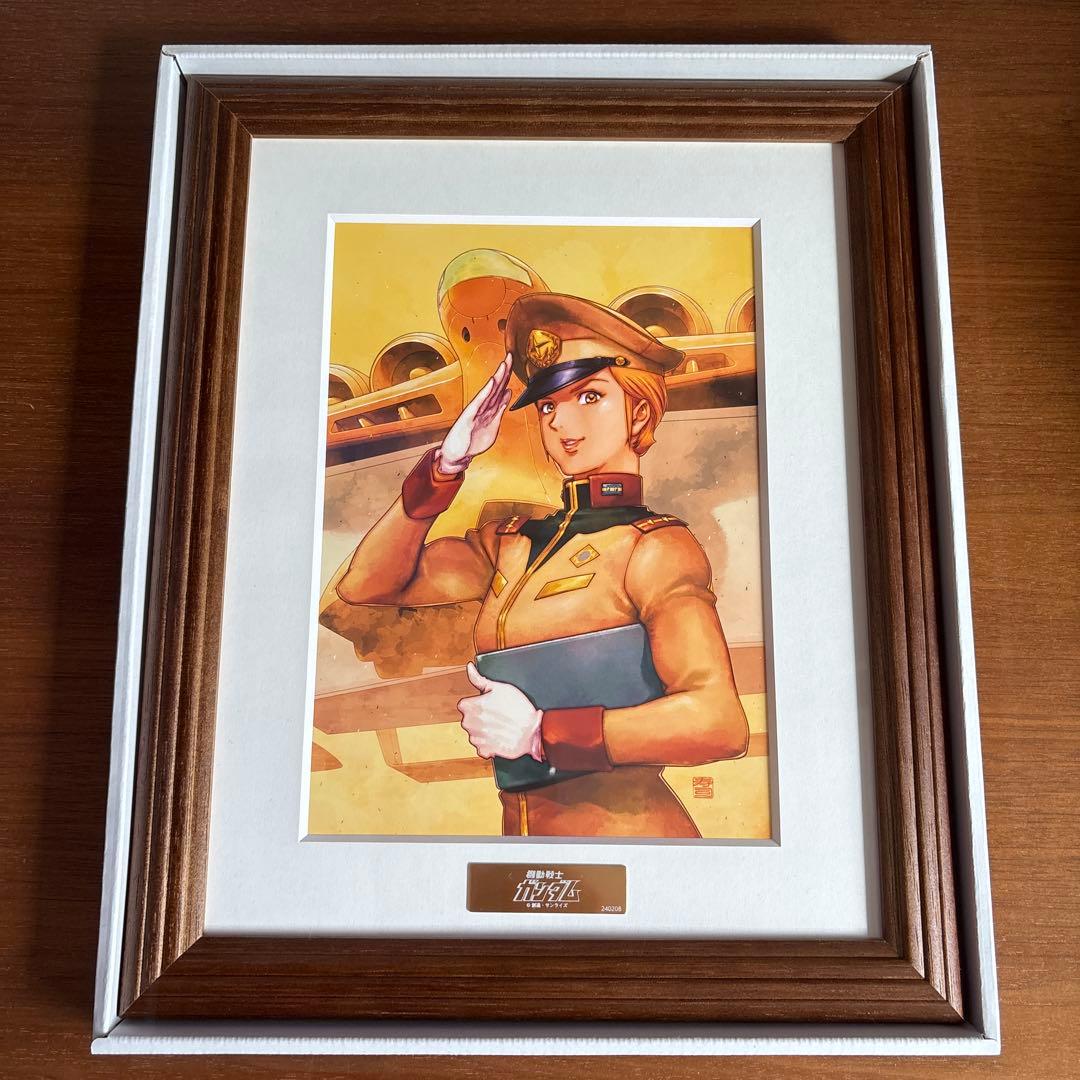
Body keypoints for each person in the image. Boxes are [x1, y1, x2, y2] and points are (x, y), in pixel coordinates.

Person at [337, 292, 749, 838]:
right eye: (549, 405)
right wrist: (446, 465)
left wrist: (540, 734)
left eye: (590, 396)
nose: (562, 422)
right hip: (529, 843)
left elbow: (719, 721)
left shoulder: (655, 547)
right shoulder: (512, 542)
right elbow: (365, 586)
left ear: (639, 412)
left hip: (633, 842)